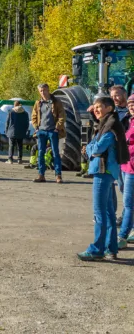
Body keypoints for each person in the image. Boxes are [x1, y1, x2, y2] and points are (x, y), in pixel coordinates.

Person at [77, 96, 130, 261]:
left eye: (99, 106)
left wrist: (90, 147)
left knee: (100, 212)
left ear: (109, 108)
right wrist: (92, 146)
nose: (96, 109)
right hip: (107, 171)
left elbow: (97, 148)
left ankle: (97, 250)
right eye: (95, 107)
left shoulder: (110, 125)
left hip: (103, 170)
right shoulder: (107, 123)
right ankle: (110, 248)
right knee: (108, 212)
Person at [31, 83, 66, 184]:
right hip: (41, 131)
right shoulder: (38, 103)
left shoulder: (56, 102)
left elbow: (62, 115)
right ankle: (41, 175)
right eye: (41, 91)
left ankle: (58, 175)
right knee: (41, 153)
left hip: (52, 131)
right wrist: (36, 128)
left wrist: (57, 128)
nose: (43, 92)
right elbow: (34, 116)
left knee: (55, 153)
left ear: (48, 90)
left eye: (44, 90)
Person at [118, 94, 134, 248]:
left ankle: (122, 237)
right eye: (130, 104)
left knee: (128, 204)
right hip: (124, 165)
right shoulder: (128, 120)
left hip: (132, 167)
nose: (131, 106)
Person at [5, 100, 30, 165]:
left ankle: (10, 159)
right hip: (21, 131)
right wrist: (25, 130)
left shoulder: (11, 112)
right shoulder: (25, 113)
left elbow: (7, 122)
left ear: (15, 105)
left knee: (11, 146)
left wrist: (6, 131)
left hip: (12, 131)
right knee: (20, 146)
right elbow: (27, 123)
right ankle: (19, 159)